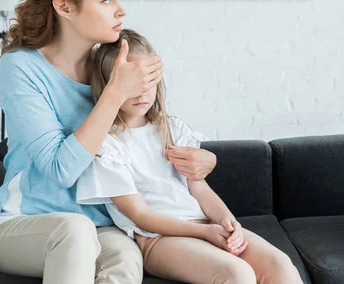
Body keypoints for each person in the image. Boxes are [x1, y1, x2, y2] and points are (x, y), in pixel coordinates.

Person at [0, 0, 216, 284]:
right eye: (107, 0)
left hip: (102, 225)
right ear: (65, 7)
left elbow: (149, 136)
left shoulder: (109, 64)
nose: (120, 11)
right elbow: (59, 169)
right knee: (75, 230)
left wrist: (203, 162)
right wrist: (113, 94)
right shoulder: (20, 67)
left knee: (126, 260)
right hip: (23, 224)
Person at [76, 29, 303, 284]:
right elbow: (140, 215)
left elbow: (199, 188)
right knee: (236, 274)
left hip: (205, 224)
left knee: (280, 265)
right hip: (157, 239)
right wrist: (204, 232)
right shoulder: (106, 144)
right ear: (109, 87)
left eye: (147, 81)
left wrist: (228, 222)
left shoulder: (173, 130)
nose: (141, 93)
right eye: (131, 85)